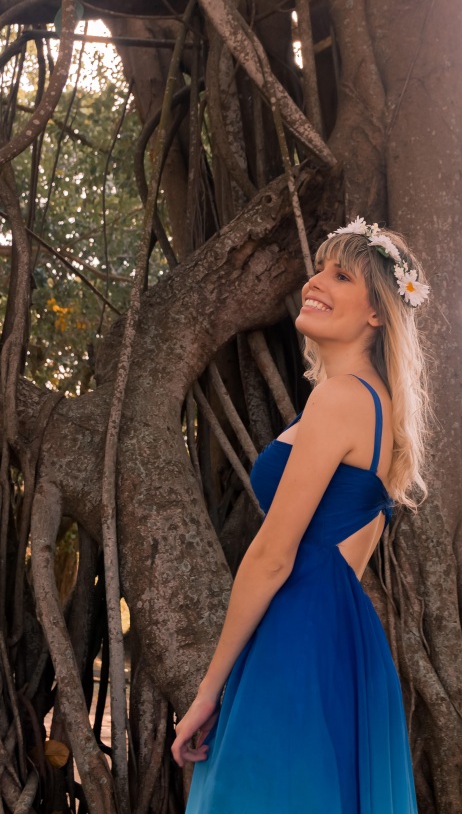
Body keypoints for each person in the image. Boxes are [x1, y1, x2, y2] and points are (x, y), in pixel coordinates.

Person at [171, 217, 431, 813]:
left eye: (341, 276)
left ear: (377, 312)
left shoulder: (340, 398)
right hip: (338, 637)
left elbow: (272, 555)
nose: (315, 282)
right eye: (319, 269)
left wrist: (208, 691)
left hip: (295, 637)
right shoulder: (377, 406)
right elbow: (349, 557)